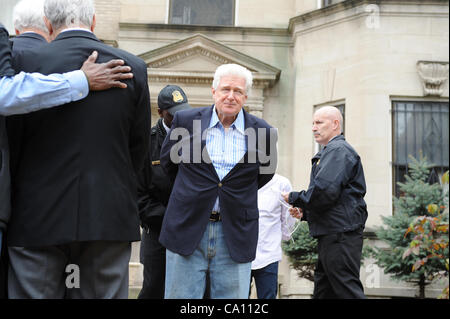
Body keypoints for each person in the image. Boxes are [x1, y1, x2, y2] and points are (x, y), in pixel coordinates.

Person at [5, 0, 151, 299]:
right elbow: (139, 148)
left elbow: (12, 143)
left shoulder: (22, 63)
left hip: (35, 214)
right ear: (94, 21)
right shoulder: (132, 67)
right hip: (108, 214)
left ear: (48, 24)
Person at [159, 63, 277, 299]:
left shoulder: (263, 131)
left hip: (234, 233)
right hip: (188, 227)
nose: (231, 96)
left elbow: (264, 175)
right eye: (225, 89)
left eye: (238, 91)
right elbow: (169, 164)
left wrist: (230, 193)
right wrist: (195, 190)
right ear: (214, 92)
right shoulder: (185, 121)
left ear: (246, 96)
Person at [282, 106, 367, 299]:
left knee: (347, 290)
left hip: (340, 234)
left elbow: (324, 191)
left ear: (336, 124)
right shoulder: (333, 151)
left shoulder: (338, 150)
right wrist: (306, 213)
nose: (313, 127)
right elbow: (335, 198)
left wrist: (293, 197)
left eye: (319, 122)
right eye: (313, 123)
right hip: (334, 233)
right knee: (324, 291)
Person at [137, 85, 191, 299]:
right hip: (157, 231)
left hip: (190, 229)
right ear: (160, 112)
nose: (180, 118)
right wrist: (169, 217)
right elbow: (138, 196)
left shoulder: (197, 139)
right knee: (154, 289)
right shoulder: (146, 143)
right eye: (173, 114)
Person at [251, 173, 296, 299]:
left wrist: (285, 236)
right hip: (240, 253)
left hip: (269, 254)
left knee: (268, 297)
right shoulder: (239, 180)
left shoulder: (281, 183)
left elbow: (288, 217)